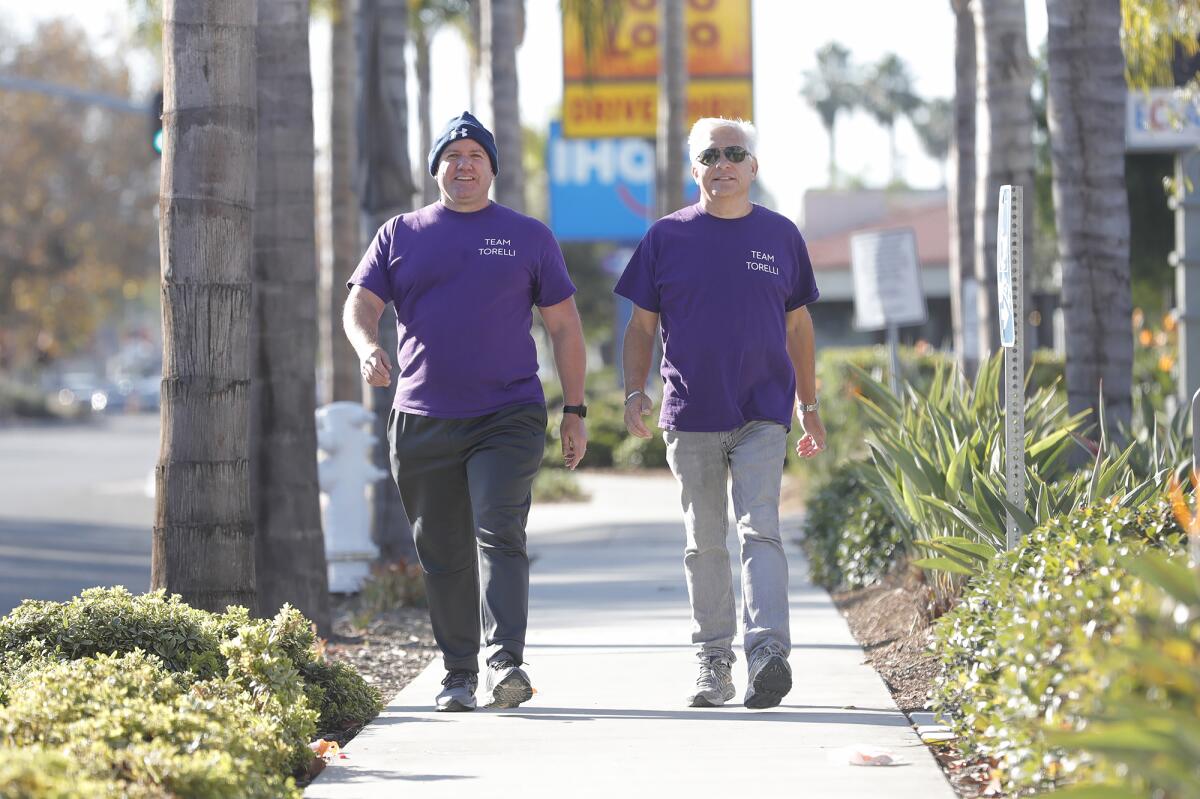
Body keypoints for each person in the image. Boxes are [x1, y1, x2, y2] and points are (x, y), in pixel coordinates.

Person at [343, 111, 588, 712]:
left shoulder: (528, 236)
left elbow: (564, 326)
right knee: (442, 551)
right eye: (452, 156)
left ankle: (506, 661)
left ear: (492, 169)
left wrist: (575, 409)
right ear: (436, 170)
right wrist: (368, 347)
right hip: (422, 416)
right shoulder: (401, 233)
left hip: (507, 412)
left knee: (499, 529)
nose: (464, 164)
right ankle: (458, 673)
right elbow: (361, 305)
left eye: (476, 155)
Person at [614, 117, 825, 710]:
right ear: (695, 168)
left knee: (761, 529)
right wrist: (635, 392)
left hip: (763, 411)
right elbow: (641, 327)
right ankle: (714, 662)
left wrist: (809, 407)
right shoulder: (665, 237)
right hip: (690, 413)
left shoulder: (782, 236)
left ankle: (768, 654)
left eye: (736, 153)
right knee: (704, 542)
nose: (723, 163)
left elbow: (799, 326)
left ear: (753, 167)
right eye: (711, 155)